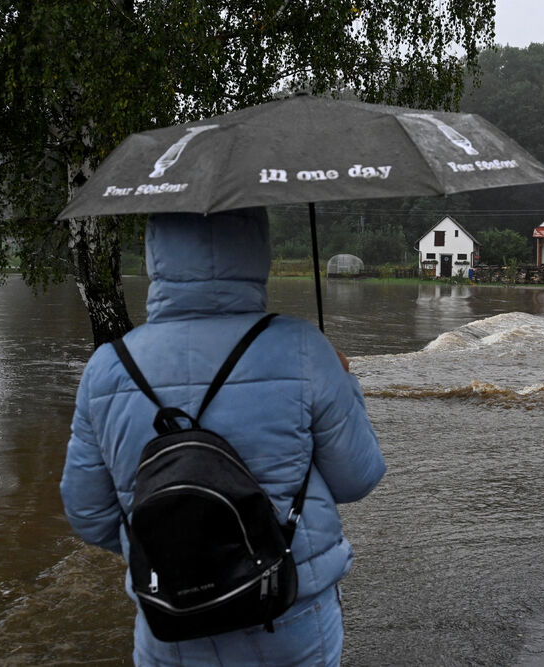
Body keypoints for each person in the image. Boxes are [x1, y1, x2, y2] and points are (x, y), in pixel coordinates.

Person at [60, 207, 386, 666]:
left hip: (171, 621)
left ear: (156, 248)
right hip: (288, 613)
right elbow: (358, 478)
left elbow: (89, 514)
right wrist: (345, 379)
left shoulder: (108, 368)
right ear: (256, 245)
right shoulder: (302, 346)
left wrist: (178, 548)